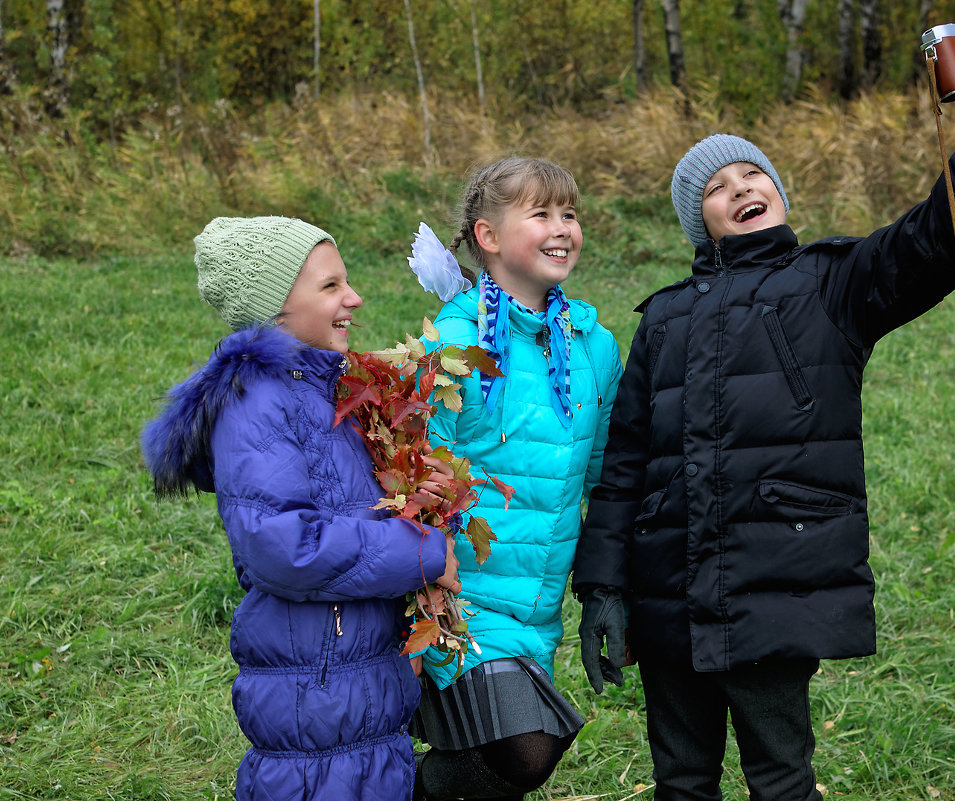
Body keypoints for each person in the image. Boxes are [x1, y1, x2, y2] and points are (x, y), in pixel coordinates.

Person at [573, 14, 955, 801]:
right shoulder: (661, 317)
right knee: (679, 778)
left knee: (780, 776)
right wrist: (602, 589)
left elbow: (939, 233)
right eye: (717, 189)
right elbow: (625, 463)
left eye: (751, 175)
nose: (740, 189)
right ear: (700, 222)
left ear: (778, 192)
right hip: (666, 593)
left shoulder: (834, 283)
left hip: (774, 581)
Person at [141, 216, 460, 801]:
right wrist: (422, 553)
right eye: (330, 286)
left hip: (357, 673)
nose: (354, 297)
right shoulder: (257, 404)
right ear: (274, 307)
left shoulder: (325, 389)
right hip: (312, 687)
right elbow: (282, 546)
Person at [409, 157, 623, 801]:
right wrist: (428, 574)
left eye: (570, 213)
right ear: (489, 236)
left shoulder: (592, 347)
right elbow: (419, 468)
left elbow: (605, 481)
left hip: (536, 605)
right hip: (458, 600)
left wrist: (607, 590)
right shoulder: (454, 342)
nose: (562, 228)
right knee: (526, 749)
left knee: (501, 760)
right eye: (541, 214)